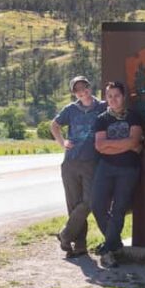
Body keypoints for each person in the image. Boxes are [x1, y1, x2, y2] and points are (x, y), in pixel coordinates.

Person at [50, 75, 106, 258]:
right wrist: (62, 142)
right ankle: (80, 245)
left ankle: (65, 234)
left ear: (90, 87)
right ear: (74, 93)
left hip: (92, 162)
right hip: (71, 162)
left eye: (84, 87)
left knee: (90, 201)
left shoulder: (102, 107)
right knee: (74, 204)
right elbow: (54, 125)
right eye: (77, 90)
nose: (82, 92)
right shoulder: (70, 109)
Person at [92, 81, 145, 268]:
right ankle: (114, 244)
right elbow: (99, 146)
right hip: (105, 167)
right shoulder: (101, 119)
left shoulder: (134, 117)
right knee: (97, 205)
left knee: (119, 209)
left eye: (117, 96)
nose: (113, 99)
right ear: (106, 98)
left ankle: (108, 249)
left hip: (128, 168)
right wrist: (126, 145)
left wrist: (112, 145)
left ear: (123, 97)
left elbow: (134, 141)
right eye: (109, 96)